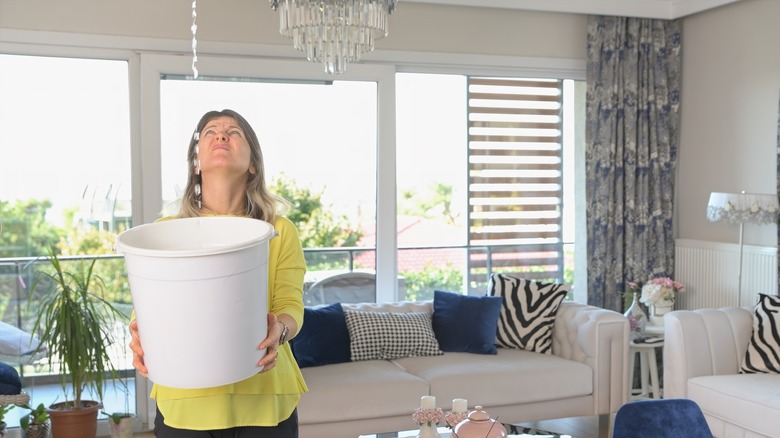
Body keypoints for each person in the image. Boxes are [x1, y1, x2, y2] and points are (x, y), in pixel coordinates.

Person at [128, 109, 307, 438]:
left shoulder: (279, 230)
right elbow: (148, 310)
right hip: (185, 402)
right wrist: (140, 334)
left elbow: (291, 303)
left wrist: (280, 329)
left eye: (234, 132)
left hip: (265, 398)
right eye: (210, 132)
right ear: (195, 162)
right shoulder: (164, 233)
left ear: (253, 163)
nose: (221, 135)